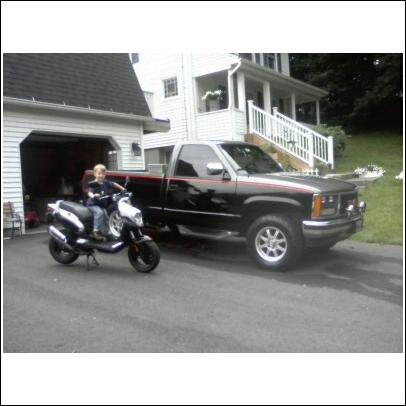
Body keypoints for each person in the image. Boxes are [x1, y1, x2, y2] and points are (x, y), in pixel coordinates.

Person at [87, 164, 126, 241]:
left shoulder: (105, 182)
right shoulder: (93, 184)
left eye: (103, 174)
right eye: (99, 173)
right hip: (93, 204)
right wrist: (94, 195)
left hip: (101, 205)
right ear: (95, 174)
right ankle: (95, 231)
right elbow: (89, 193)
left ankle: (107, 233)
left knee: (106, 215)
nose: (101, 175)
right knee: (99, 213)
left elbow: (114, 184)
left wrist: (123, 189)